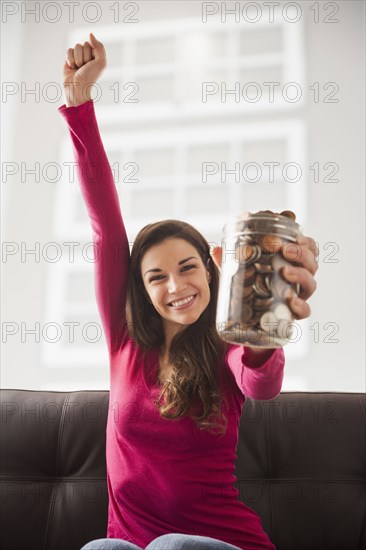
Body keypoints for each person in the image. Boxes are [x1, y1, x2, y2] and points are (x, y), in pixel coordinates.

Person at [58, 33, 318, 550]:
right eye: (156, 277)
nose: (176, 286)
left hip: (219, 542)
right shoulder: (123, 341)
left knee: (173, 547)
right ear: (140, 288)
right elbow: (105, 227)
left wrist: (265, 326)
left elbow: (261, 385)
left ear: (211, 269)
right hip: (131, 544)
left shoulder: (228, 343)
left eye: (187, 268)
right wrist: (78, 102)